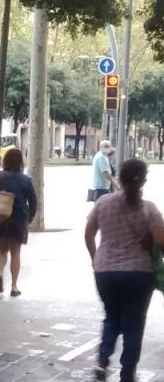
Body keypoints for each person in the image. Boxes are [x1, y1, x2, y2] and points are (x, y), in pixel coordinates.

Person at [85, 159, 164, 382]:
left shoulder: (103, 202)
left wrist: (95, 259)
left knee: (111, 317)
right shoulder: (149, 209)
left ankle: (102, 361)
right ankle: (127, 373)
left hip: (105, 272)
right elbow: (162, 240)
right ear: (144, 181)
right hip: (140, 273)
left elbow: (88, 233)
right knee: (133, 324)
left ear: (119, 177)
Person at [0, 148, 37, 297]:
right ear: (21, 162)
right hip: (18, 219)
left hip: (1, 218)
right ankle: (14, 287)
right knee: (15, 253)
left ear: (6, 161)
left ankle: (1, 274)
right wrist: (29, 218)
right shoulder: (26, 180)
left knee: (2, 250)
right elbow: (33, 203)